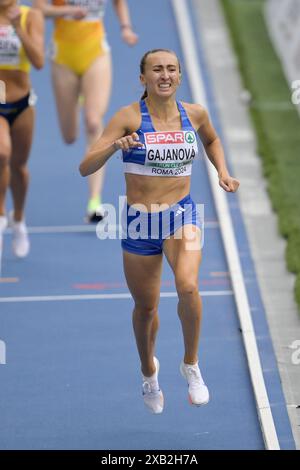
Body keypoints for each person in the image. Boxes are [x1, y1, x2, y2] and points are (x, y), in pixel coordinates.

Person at [79, 49, 239, 414]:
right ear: (143, 78)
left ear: (179, 76)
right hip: (140, 221)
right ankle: (149, 370)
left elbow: (211, 140)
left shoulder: (195, 114)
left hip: (182, 215)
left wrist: (222, 173)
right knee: (146, 308)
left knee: (188, 286)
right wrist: (114, 148)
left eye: (171, 69)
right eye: (156, 70)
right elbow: (85, 166)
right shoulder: (128, 117)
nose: (164, 75)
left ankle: (191, 365)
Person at [34, 0, 138, 222]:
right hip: (63, 58)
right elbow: (40, 9)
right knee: (70, 135)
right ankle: (81, 97)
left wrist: (125, 27)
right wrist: (67, 11)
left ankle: (94, 201)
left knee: (93, 122)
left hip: (96, 53)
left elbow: (119, 3)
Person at [0, 0, 44, 260]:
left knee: (18, 166)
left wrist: (18, 27)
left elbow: (38, 61)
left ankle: (19, 219)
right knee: (2, 154)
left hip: (22, 103)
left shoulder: (30, 16)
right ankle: (1, 216)